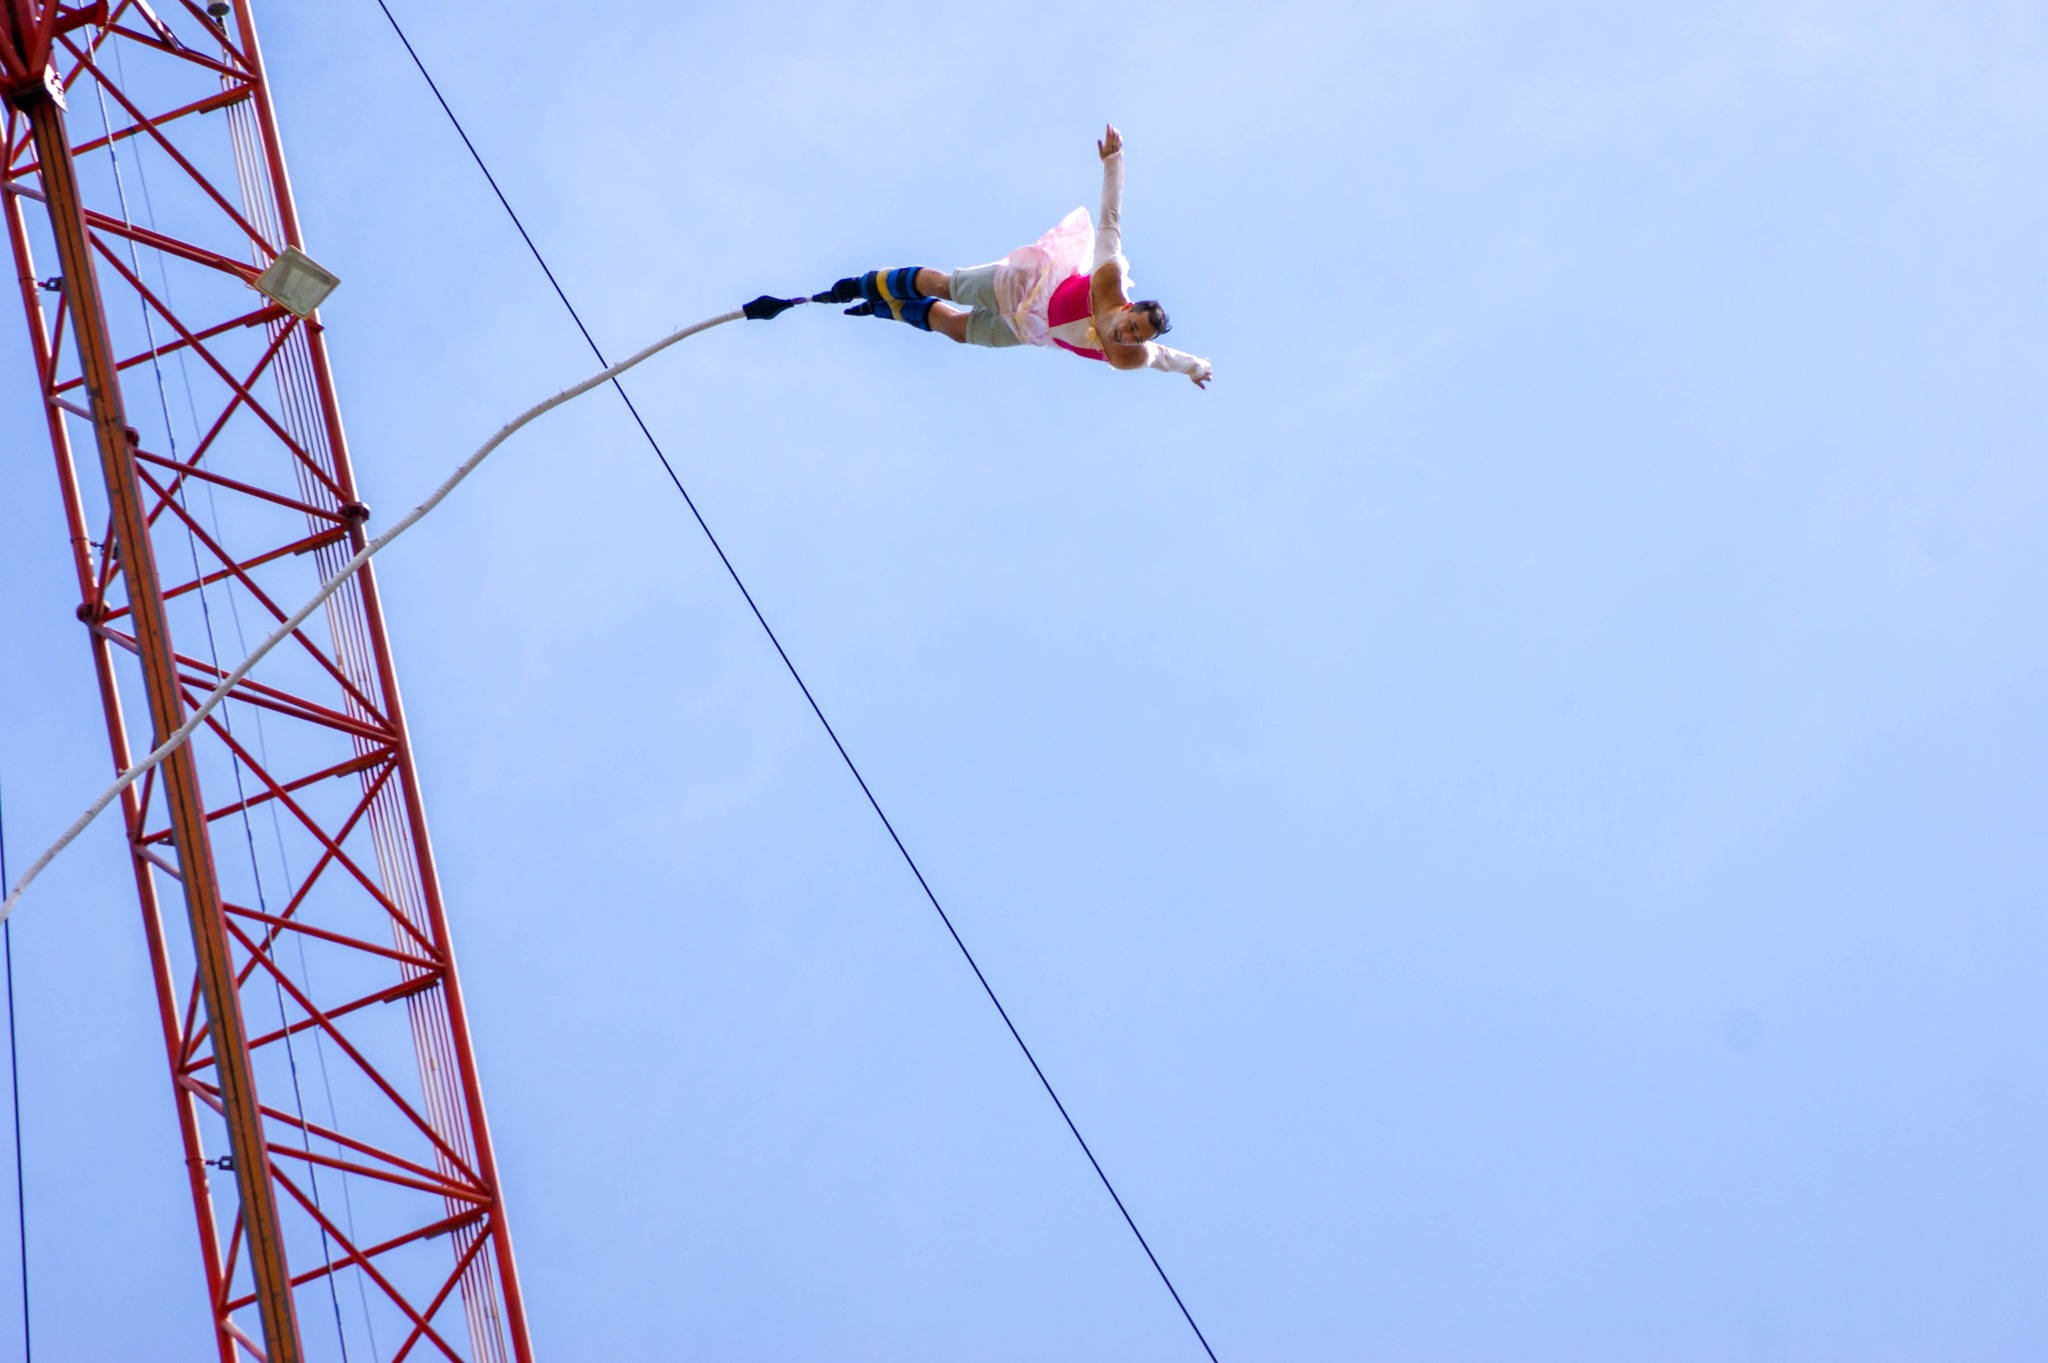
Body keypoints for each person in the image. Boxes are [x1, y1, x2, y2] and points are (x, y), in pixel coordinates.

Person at [814, 126, 1213, 388]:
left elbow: (1164, 358)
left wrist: (1196, 367)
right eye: (1131, 327)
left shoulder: (1131, 357)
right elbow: (1111, 220)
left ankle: (886, 307)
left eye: (1136, 337)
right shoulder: (1108, 281)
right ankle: (861, 285)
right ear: (1127, 308)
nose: (1127, 337)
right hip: (1028, 284)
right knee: (946, 287)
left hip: (1033, 329)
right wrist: (1113, 162)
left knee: (957, 330)